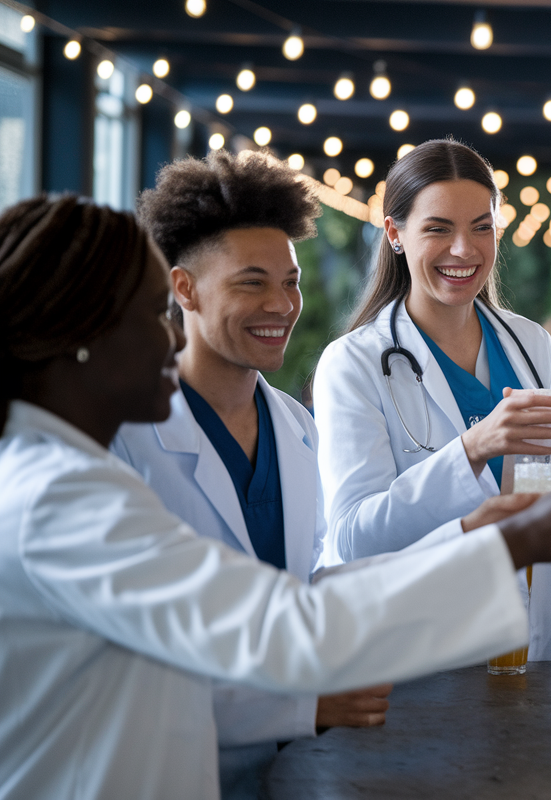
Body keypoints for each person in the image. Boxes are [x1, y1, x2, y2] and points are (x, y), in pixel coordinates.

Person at [0, 195, 551, 798]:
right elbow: (286, 627)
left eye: (290, 282)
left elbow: (309, 592)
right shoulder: (59, 499)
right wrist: (519, 542)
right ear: (80, 335)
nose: (172, 336)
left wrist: (477, 533)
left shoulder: (280, 428)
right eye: (150, 313)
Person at [109, 151, 386, 796]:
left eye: (290, 282)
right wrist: (305, 707)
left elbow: (297, 588)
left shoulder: (295, 426)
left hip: (291, 771)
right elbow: (135, 657)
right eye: (251, 283)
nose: (281, 305)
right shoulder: (127, 438)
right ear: (185, 289)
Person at [312, 140, 551, 659]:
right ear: (394, 233)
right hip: (420, 651)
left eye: (482, 226)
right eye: (438, 228)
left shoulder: (530, 342)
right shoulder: (354, 364)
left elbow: (547, 497)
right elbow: (351, 541)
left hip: (532, 646)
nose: (464, 249)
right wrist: (472, 449)